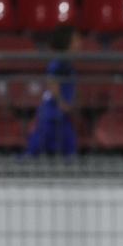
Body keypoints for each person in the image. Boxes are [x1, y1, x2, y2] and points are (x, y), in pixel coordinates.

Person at [25, 25, 80, 156]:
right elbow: (52, 82)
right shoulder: (58, 63)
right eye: (76, 40)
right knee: (36, 149)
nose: (79, 43)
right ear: (67, 43)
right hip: (52, 113)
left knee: (70, 147)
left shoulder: (68, 64)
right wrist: (62, 102)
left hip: (62, 115)